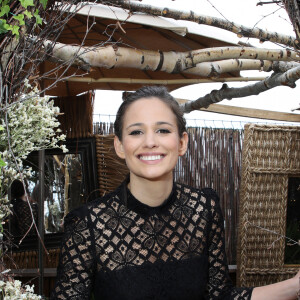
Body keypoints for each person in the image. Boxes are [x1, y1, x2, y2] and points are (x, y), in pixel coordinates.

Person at [51, 86, 299, 299]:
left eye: (163, 130)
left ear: (182, 143)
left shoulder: (204, 209)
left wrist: (294, 285)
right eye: (136, 131)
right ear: (119, 145)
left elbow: (219, 295)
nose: (150, 142)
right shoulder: (87, 224)